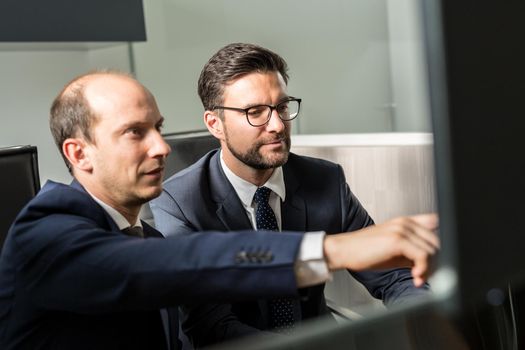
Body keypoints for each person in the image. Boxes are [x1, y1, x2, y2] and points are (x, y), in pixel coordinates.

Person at [0, 70, 438, 350]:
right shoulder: (44, 236)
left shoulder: (141, 234)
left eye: (158, 128)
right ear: (78, 154)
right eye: (135, 133)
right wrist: (333, 251)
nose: (162, 147)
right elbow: (181, 264)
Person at [151, 43, 438, 348]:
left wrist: (424, 319)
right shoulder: (179, 203)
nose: (277, 125)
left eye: (282, 107)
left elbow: (393, 276)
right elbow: (211, 327)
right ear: (214, 124)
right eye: (255, 112)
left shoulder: (325, 181)